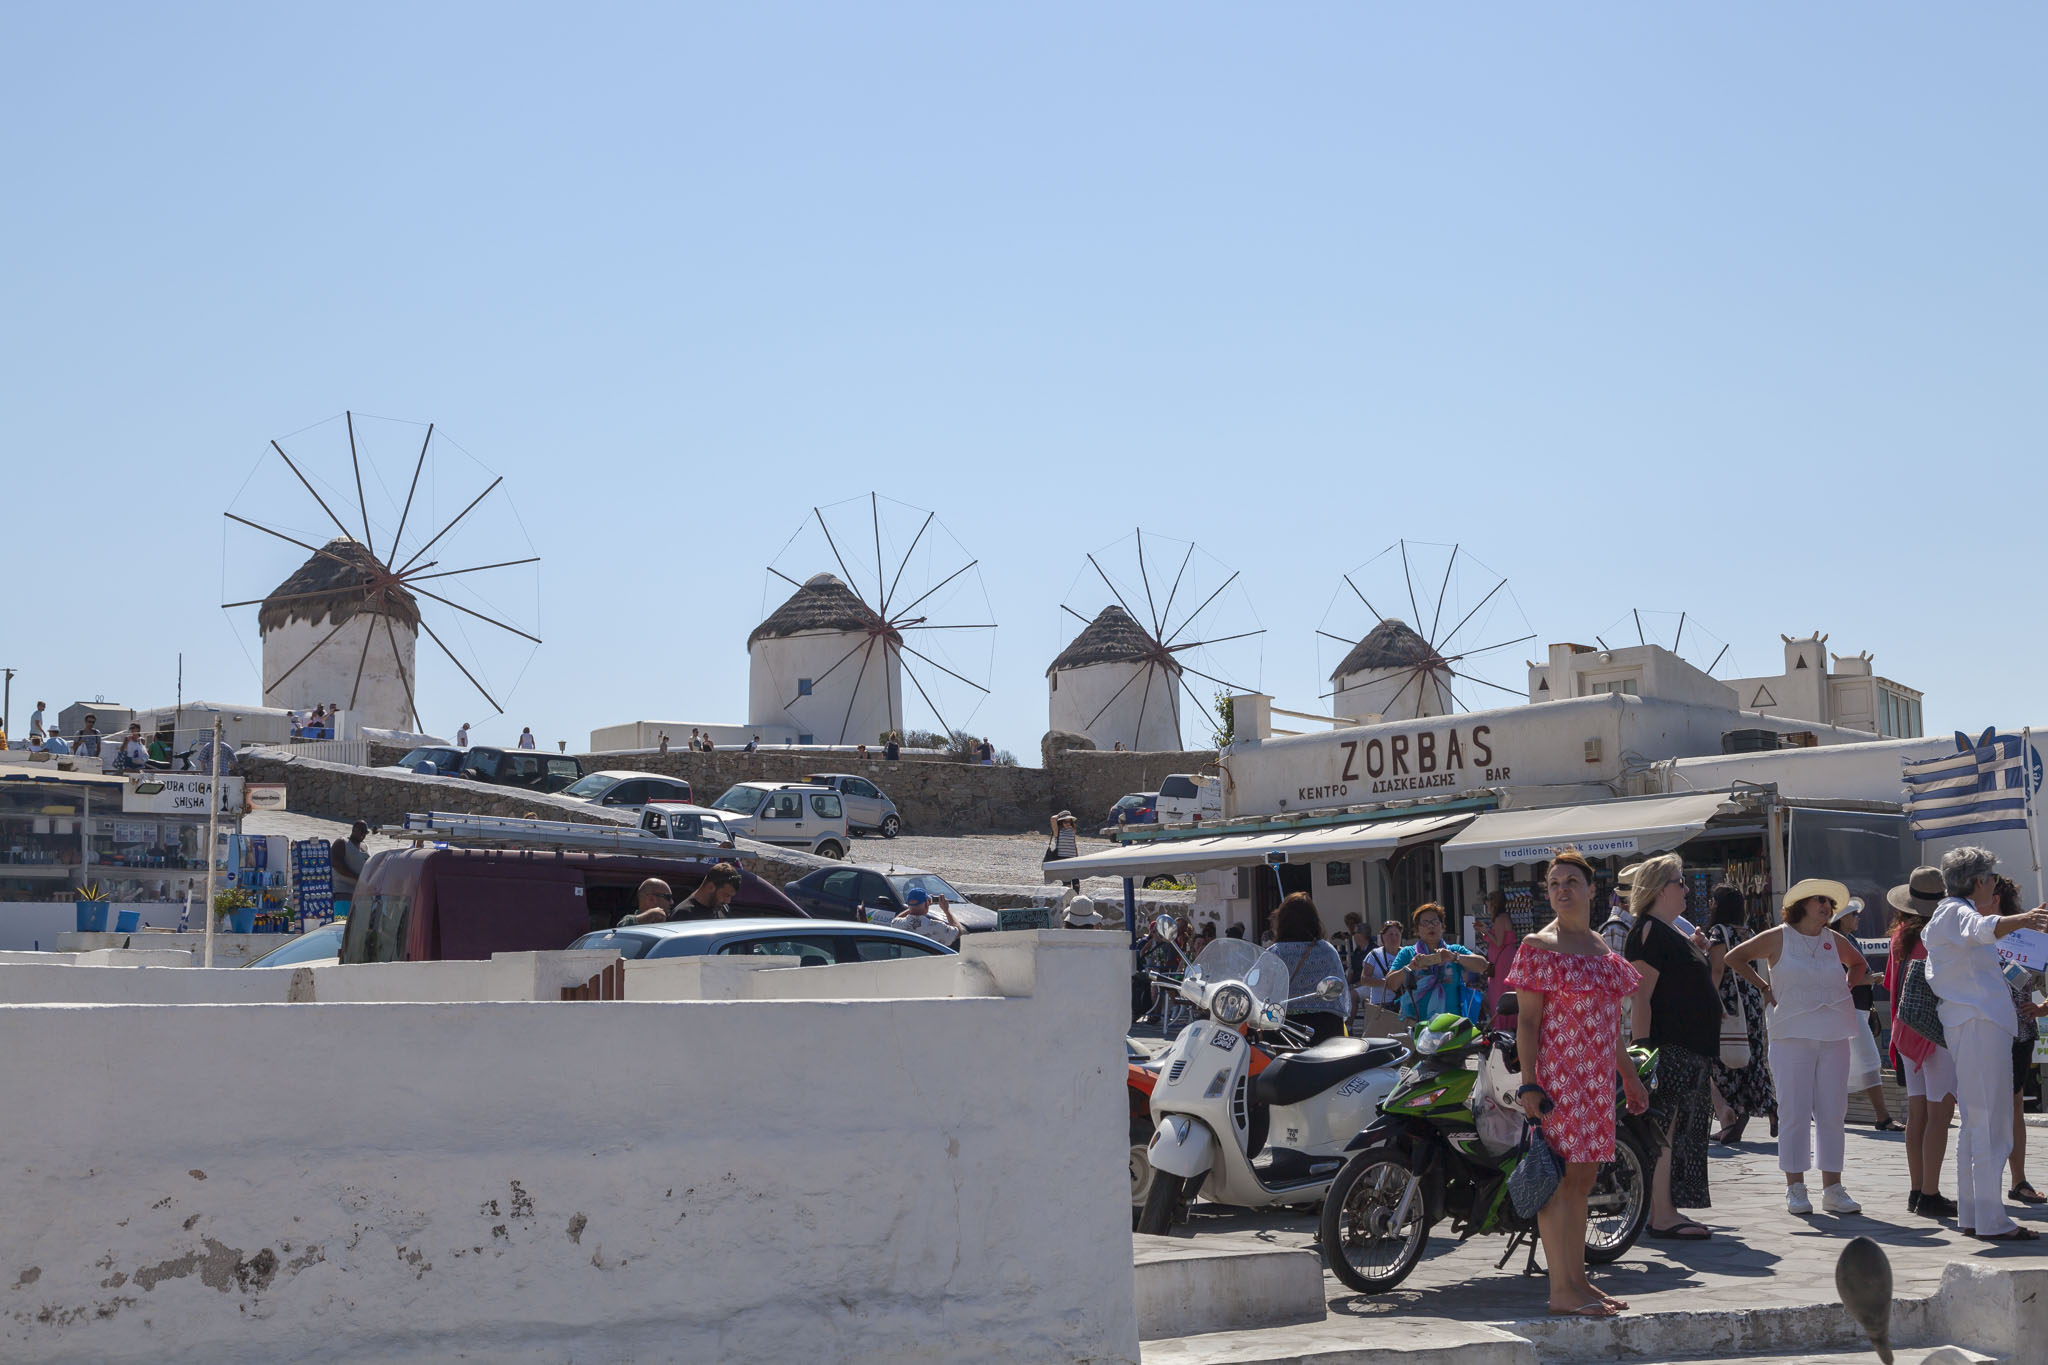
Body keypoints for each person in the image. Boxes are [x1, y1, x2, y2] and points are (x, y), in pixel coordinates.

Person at [1504, 847, 1647, 1319]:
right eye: (1554, 884)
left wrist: (1628, 1077)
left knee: (1582, 1181)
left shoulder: (1603, 950)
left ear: (1591, 889)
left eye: (1571, 882)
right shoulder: (1538, 947)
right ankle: (1561, 1290)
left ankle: (1580, 1281)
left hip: (1595, 1084)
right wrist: (1528, 1085)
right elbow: (1527, 1022)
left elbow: (1611, 1029)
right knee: (1558, 1182)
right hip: (1557, 1081)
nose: (1562, 890)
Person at [1923, 844, 2048, 1241]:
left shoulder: (1952, 913)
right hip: (1978, 1024)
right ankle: (1990, 1219)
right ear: (1979, 880)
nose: (1995, 881)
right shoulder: (1956, 911)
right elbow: (1981, 929)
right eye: (1991, 876)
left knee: (1979, 1124)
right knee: (1989, 1123)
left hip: (1976, 1024)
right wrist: (2025, 918)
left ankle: (1978, 1215)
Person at [1725, 878, 1868, 1216]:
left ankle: (1833, 1188)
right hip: (1791, 1034)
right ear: (1801, 904)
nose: (1827, 907)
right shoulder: (1779, 936)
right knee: (1794, 1111)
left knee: (1833, 1112)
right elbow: (1735, 957)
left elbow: (1859, 964)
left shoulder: (1835, 939)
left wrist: (1845, 988)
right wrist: (1763, 987)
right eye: (1820, 900)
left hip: (1833, 1033)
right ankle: (1795, 1187)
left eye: (1830, 903)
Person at [1625, 852, 1721, 1239]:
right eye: (1680, 882)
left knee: (1679, 1130)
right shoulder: (1648, 931)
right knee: (1667, 1128)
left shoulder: (1668, 930)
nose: (1686, 888)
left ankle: (1667, 1209)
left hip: (1689, 1046)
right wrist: (1643, 1051)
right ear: (1660, 888)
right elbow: (1642, 998)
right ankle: (1661, 1214)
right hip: (1670, 1047)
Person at [1887, 866, 1959, 1218]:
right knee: (1939, 1116)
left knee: (1917, 1115)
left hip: (1906, 1032)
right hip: (1936, 1035)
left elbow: (1892, 986)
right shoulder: (1941, 935)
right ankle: (1930, 1193)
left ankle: (1917, 1190)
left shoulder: (1900, 937)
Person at [1707, 883, 1778, 1145]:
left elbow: (1717, 969)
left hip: (1728, 1002)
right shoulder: (1748, 931)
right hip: (1751, 1001)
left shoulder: (1718, 932)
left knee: (1720, 1061)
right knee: (1752, 1059)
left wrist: (1711, 1001)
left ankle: (1729, 1114)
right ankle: (1769, 1107)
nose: (1710, 904)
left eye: (1713, 900)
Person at [1994, 875, 2048, 1207]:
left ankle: (2018, 1180)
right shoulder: (1974, 932)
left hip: (2020, 1033)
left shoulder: (2029, 939)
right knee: (1984, 1107)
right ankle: (1983, 1180)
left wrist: (2041, 1008)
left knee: (2014, 1104)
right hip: (1981, 1030)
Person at [1829, 900, 1899, 1132]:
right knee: (1870, 1061)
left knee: (1847, 1065)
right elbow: (1843, 978)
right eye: (1854, 915)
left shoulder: (1850, 941)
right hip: (1849, 1010)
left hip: (1857, 1009)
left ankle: (1826, 1112)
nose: (1858, 918)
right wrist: (1870, 979)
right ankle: (1883, 1117)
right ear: (1842, 918)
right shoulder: (1837, 942)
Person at [1266, 893, 1348, 1044]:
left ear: (1282, 921)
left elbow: (1261, 991)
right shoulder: (1327, 950)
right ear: (1314, 920)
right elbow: (1340, 993)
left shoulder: (1275, 952)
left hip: (1284, 1028)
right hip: (1326, 1028)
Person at [1384, 903, 1487, 1020]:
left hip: (1451, 1024)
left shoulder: (1454, 950)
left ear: (1442, 927)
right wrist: (1410, 967)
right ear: (1417, 930)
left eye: (1435, 922)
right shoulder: (1407, 953)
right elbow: (1390, 984)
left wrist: (1454, 957)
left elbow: (1483, 965)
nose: (1430, 926)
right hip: (1417, 1026)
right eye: (1425, 923)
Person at [1480, 891, 1520, 1032]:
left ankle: (1502, 1023)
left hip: (1502, 960)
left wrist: (1485, 931)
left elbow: (1498, 942)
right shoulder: (1505, 917)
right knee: (1506, 988)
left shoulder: (1499, 919)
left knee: (1498, 990)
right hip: (1506, 957)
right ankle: (1510, 1022)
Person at [1355, 919, 1404, 1015]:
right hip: (1380, 1004)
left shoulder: (1406, 954)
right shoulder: (1374, 955)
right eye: (1390, 934)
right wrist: (1385, 982)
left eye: (1397, 934)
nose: (1394, 938)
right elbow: (1364, 979)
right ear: (1382, 937)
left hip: (1403, 1004)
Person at [670, 863, 744, 921]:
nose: (728, 901)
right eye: (726, 895)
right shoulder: (684, 915)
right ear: (710, 887)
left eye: (731, 896)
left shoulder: (722, 909)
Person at [892, 886, 962, 946]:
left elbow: (896, 919)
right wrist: (947, 911)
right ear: (926, 904)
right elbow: (958, 933)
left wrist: (912, 908)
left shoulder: (898, 924)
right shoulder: (937, 926)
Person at [330, 821, 370, 918]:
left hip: (360, 895)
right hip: (343, 894)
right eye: (361, 832)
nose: (363, 835)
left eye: (365, 833)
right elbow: (337, 865)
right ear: (354, 830)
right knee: (342, 927)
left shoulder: (365, 846)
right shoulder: (342, 842)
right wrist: (356, 877)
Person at [1046, 811, 1081, 894]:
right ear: (1061, 822)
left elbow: (1074, 843)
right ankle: (1068, 901)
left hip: (1073, 859)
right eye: (1065, 821)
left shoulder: (1072, 830)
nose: (1068, 823)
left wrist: (1077, 857)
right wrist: (1061, 814)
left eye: (1069, 821)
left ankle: (1075, 899)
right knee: (1067, 884)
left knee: (1076, 884)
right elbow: (1053, 819)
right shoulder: (1057, 831)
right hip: (1062, 859)